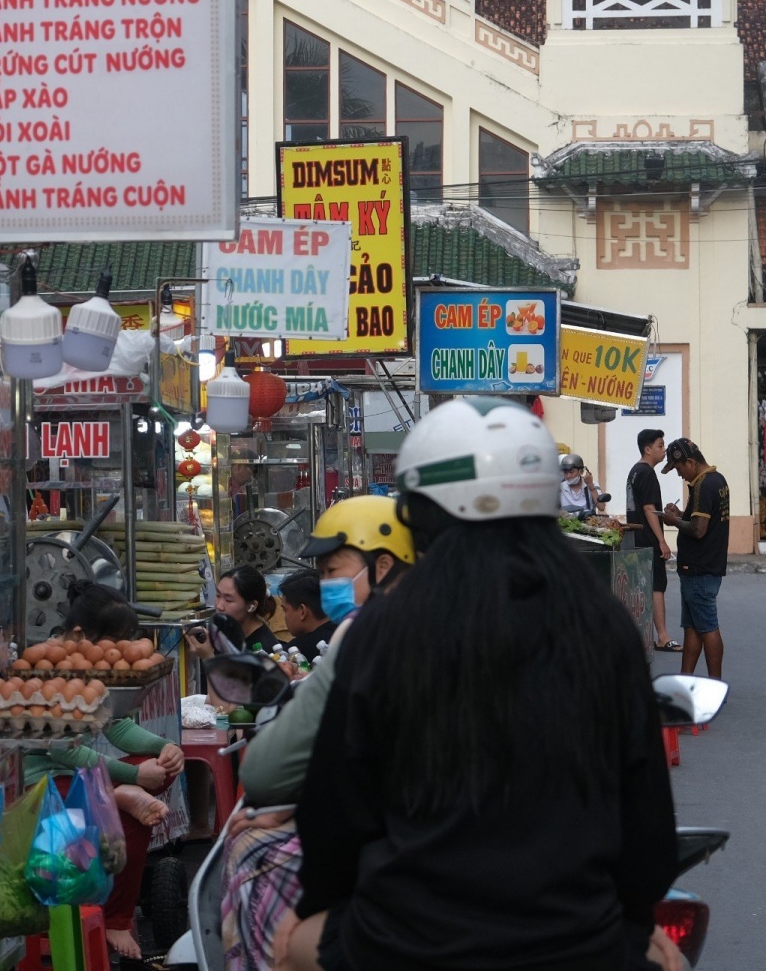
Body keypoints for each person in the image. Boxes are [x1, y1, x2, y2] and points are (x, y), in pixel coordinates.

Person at [281, 397, 683, 971]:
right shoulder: (603, 625)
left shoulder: (381, 631)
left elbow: (330, 825)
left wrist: (335, 910)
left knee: (288, 944)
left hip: (401, 946)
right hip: (579, 947)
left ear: (417, 514)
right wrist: (627, 926)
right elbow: (648, 841)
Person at [23, 584, 184, 961]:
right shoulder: (43, 668)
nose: (120, 655)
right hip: (40, 785)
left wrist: (163, 748)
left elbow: (116, 726)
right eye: (114, 644)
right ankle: (114, 917)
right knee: (136, 806)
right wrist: (127, 778)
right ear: (80, 635)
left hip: (76, 779)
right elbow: (63, 750)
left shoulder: (90, 665)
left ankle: (114, 797)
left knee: (161, 774)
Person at [239, 495, 414, 808]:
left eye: (332, 571)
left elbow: (263, 775)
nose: (325, 585)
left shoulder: (362, 635)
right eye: (321, 574)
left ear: (383, 566)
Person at [661, 437, 729, 680]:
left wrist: (674, 521)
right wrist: (680, 514)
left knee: (707, 627)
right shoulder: (716, 480)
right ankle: (685, 680)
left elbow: (699, 530)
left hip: (700, 567)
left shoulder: (703, 485)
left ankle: (715, 685)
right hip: (702, 567)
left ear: (690, 462)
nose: (679, 474)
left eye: (678, 468)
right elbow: (703, 522)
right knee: (692, 628)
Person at [627, 429, 678, 653]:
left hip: (635, 537)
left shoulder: (634, 472)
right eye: (659, 445)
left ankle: (643, 635)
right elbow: (649, 510)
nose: (664, 449)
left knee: (640, 587)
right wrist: (662, 541)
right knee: (657, 586)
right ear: (647, 449)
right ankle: (663, 637)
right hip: (647, 538)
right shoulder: (646, 473)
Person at [187, 564, 275, 659]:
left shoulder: (264, 651)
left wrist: (207, 656)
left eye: (228, 600)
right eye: (218, 595)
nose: (219, 606)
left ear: (251, 606)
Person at [276, 570, 337, 662]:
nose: (285, 617)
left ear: (302, 611)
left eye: (285, 610)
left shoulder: (295, 652)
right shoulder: (348, 632)